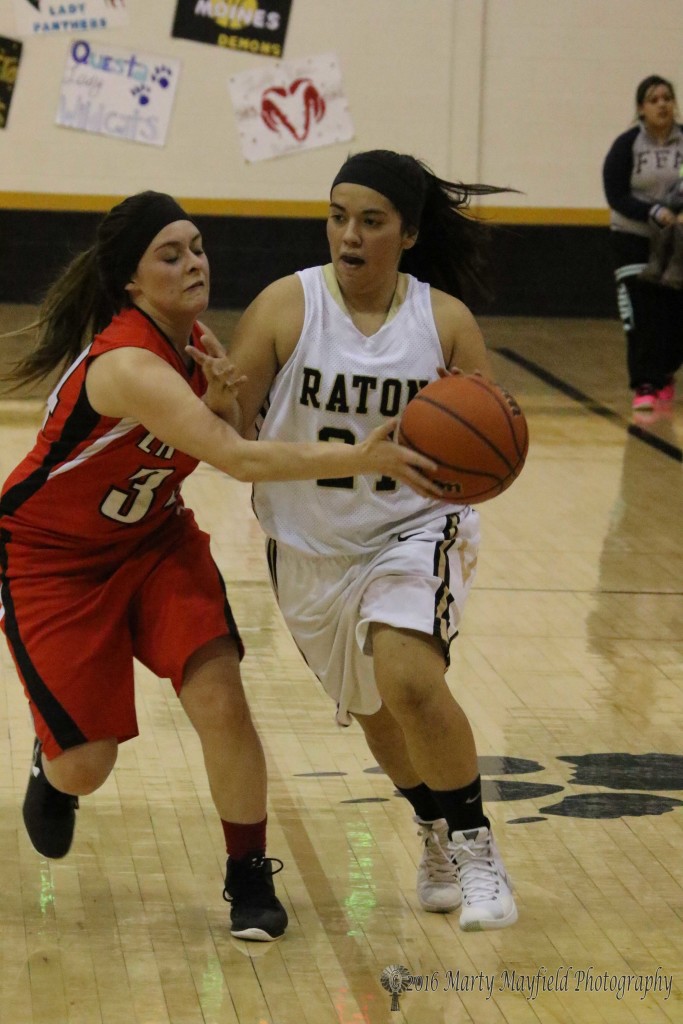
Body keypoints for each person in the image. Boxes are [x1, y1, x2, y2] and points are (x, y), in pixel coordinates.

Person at [0, 190, 440, 943]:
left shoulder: (194, 339)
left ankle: (246, 874)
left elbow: (234, 428)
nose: (194, 262)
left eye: (196, 246)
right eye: (170, 255)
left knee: (220, 698)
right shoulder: (129, 363)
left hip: (153, 543)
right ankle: (53, 768)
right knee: (86, 767)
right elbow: (238, 459)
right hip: (52, 560)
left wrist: (221, 395)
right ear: (133, 283)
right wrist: (361, 455)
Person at [225, 150, 519, 932]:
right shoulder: (283, 308)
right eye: (337, 215)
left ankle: (475, 845)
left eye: (371, 220)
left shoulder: (444, 321)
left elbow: (490, 449)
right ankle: (431, 827)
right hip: (310, 550)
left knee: (410, 680)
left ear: (409, 233)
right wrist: (218, 396)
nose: (348, 234)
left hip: (414, 528)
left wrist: (481, 449)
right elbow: (230, 439)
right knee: (378, 717)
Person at [602, 74, 683, 412]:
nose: (662, 104)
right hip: (634, 238)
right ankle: (644, 383)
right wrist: (653, 211)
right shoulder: (627, 144)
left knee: (673, 313)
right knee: (642, 313)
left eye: (667, 97)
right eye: (654, 99)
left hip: (677, 241)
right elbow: (615, 193)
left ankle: (664, 372)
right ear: (641, 108)